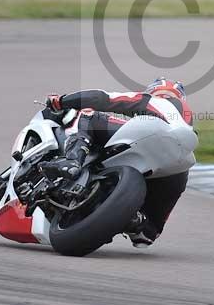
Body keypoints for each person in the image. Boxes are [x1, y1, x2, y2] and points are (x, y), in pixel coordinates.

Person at [41, 78, 193, 248]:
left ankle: (73, 160)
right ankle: (140, 224)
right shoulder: (185, 119)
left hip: (156, 132)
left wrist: (61, 101)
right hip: (182, 160)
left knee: (88, 115)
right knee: (151, 229)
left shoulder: (154, 101)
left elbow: (103, 98)